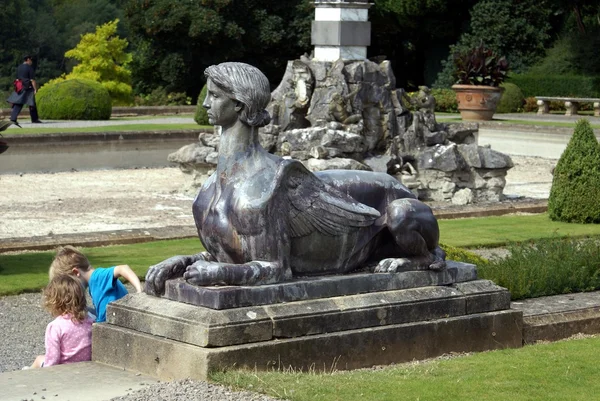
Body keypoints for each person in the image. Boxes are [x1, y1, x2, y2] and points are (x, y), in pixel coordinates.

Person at [144, 62, 445, 295]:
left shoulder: (270, 185)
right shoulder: (208, 193)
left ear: (239, 104)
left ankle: (422, 259)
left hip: (388, 220)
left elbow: (275, 269)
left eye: (214, 96)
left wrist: (220, 274)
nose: (206, 104)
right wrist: (183, 261)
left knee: (401, 213)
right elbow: (237, 251)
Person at [49, 245, 143, 323]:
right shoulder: (93, 285)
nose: (70, 289)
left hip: (119, 322)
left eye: (69, 283)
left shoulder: (97, 277)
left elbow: (123, 268)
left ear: (76, 272)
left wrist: (139, 291)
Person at [29, 275, 94, 368]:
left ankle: (26, 376)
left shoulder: (55, 327)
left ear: (54, 302)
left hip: (62, 370)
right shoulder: (90, 321)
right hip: (85, 367)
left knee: (39, 359)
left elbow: (53, 360)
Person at [6, 55, 43, 126]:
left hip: (19, 86)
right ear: (28, 59)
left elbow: (17, 78)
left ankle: (34, 119)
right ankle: (13, 119)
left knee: (31, 103)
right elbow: (32, 80)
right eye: (31, 60)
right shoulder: (29, 68)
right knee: (21, 103)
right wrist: (35, 89)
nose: (31, 62)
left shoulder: (19, 67)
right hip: (27, 87)